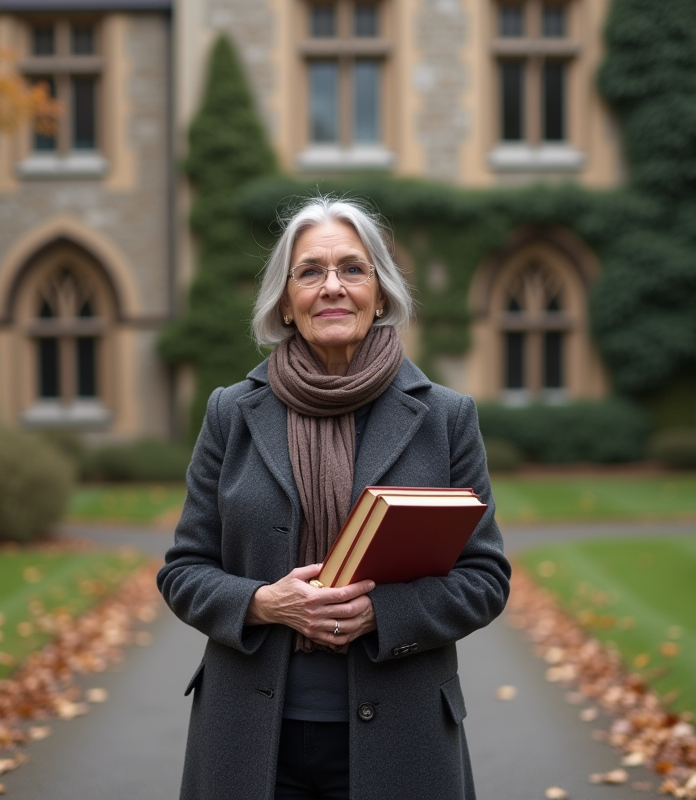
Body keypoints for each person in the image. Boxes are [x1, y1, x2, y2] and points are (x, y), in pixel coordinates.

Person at [157, 196, 510, 800]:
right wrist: (265, 603)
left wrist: (380, 613)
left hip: (403, 732)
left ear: (381, 294)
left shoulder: (445, 418)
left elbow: (485, 579)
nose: (332, 287)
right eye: (310, 272)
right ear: (285, 302)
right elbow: (184, 571)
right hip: (249, 737)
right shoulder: (230, 413)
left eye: (352, 269)